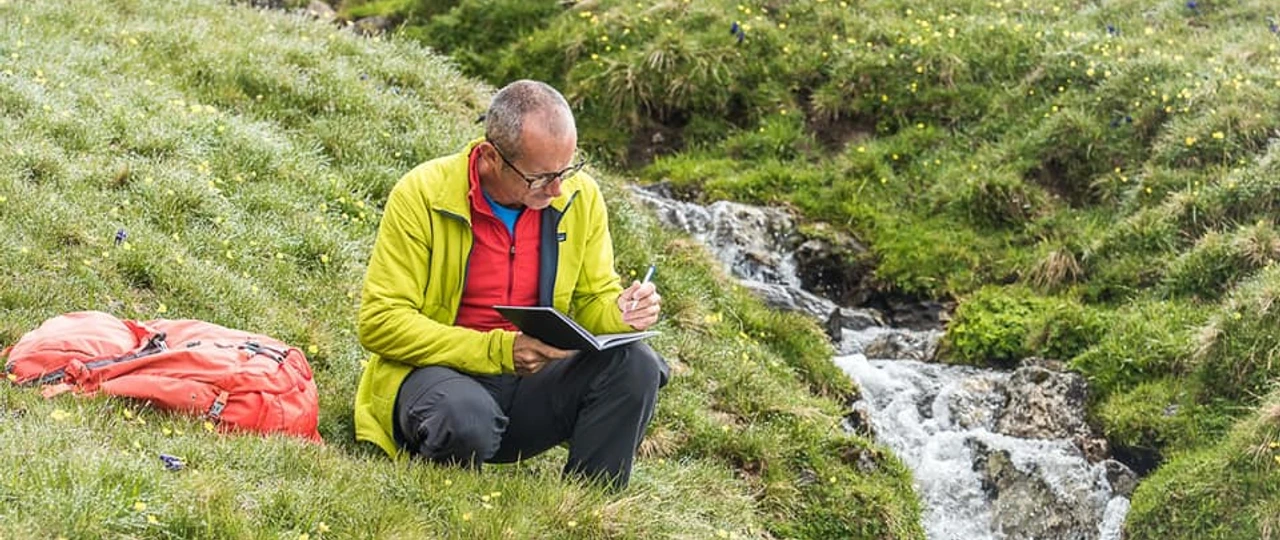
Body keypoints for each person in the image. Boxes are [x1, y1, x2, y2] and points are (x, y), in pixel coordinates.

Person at [353, 80, 669, 489]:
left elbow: (594, 299)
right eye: (540, 178)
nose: (556, 190)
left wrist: (622, 311)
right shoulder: (422, 194)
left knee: (637, 365)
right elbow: (380, 322)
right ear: (490, 157)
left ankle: (589, 509)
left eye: (566, 170)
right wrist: (500, 350)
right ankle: (443, 487)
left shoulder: (578, 196)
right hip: (438, 380)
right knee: (466, 418)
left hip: (529, 382)